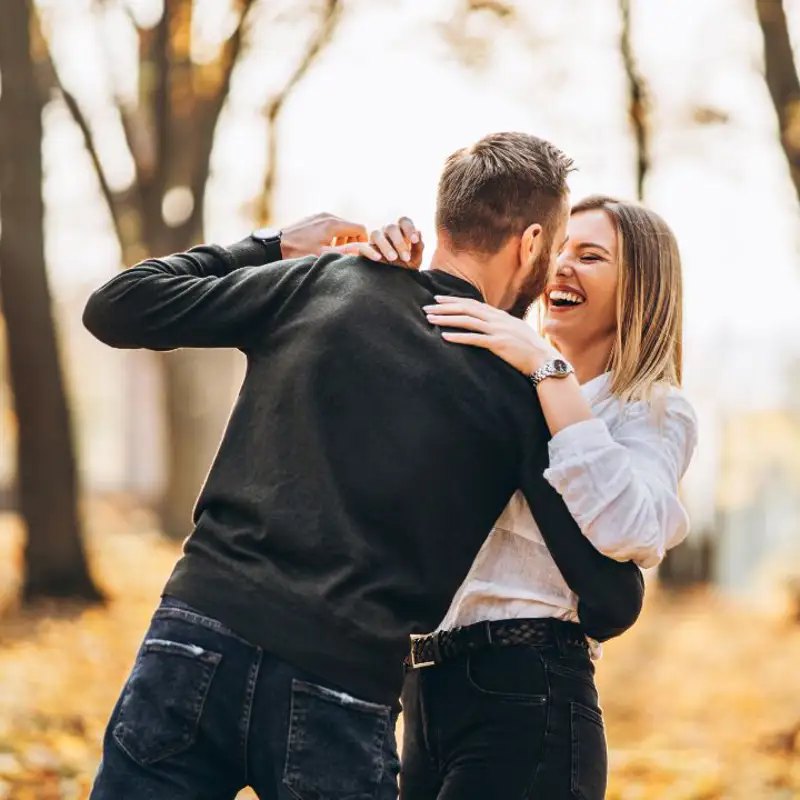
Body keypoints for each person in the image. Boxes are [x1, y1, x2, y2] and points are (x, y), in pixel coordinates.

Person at [83, 135, 644, 800]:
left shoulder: (324, 281)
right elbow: (610, 601)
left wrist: (275, 244)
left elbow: (116, 306)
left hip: (197, 634)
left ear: (444, 221)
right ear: (528, 245)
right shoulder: (519, 390)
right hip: (339, 688)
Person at [340, 195, 697, 799]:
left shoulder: (650, 409)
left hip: (527, 688)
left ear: (640, 290)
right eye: (558, 248)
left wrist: (547, 369)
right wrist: (385, 281)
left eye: (590, 256)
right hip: (422, 689)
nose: (562, 265)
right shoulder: (491, 383)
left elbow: (632, 526)